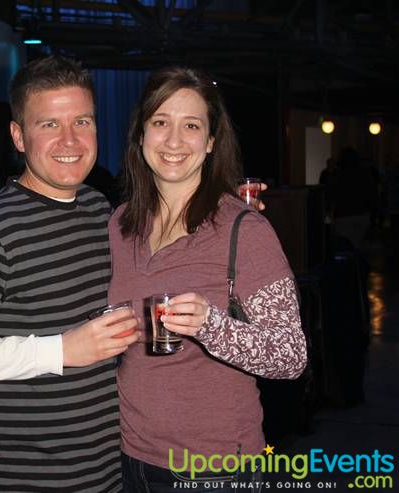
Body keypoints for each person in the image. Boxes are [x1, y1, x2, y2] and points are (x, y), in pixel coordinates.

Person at [0, 56, 139, 493]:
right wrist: (61, 351)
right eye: (49, 124)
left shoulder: (97, 208)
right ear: (18, 136)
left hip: (109, 470)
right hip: (29, 479)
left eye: (82, 121)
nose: (70, 139)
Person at [107, 66, 308, 492]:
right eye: (160, 122)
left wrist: (211, 325)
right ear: (140, 134)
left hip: (214, 468)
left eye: (191, 126)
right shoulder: (121, 225)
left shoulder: (244, 230)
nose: (174, 141)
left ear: (211, 141)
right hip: (128, 455)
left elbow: (291, 356)